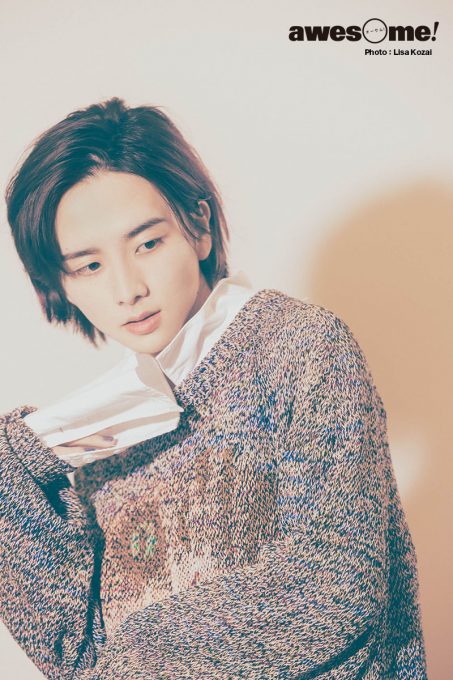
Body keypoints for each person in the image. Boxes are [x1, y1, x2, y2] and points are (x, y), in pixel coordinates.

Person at [1, 97, 427, 679]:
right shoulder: (107, 429)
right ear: (61, 284)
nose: (128, 289)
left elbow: (335, 582)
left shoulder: (298, 346)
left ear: (198, 228)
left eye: (147, 244)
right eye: (90, 266)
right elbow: (75, 654)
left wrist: (142, 649)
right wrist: (14, 464)